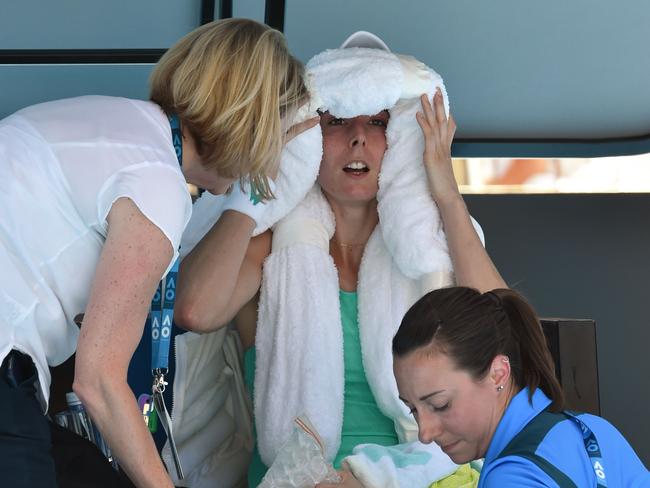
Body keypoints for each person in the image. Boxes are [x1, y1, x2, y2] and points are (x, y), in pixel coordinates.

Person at [0, 18, 311, 488]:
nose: (273, 159)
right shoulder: (156, 183)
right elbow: (99, 380)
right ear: (251, 123)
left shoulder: (114, 124)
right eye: (276, 136)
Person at [175, 32, 489, 487]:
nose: (358, 138)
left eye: (378, 123)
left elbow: (503, 336)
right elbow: (194, 310)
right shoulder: (269, 244)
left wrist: (444, 194)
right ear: (306, 139)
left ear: (400, 140)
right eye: (337, 121)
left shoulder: (435, 245)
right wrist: (257, 192)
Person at [391, 228, 650, 481]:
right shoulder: (595, 430)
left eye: (440, 405)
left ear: (498, 373)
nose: (425, 433)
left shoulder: (511, 479)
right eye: (413, 409)